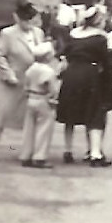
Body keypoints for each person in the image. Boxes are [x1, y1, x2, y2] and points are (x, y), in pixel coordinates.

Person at [56, 5, 112, 167]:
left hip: (71, 75)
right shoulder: (100, 38)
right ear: (99, 21)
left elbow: (63, 53)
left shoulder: (73, 34)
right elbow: (107, 61)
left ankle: (68, 151)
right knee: (94, 114)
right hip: (90, 75)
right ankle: (95, 154)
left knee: (70, 114)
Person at [0, 2, 43, 164]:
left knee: (31, 116)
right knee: (3, 114)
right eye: (25, 20)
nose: (29, 24)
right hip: (13, 80)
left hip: (33, 81)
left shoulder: (38, 33)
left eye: (31, 20)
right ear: (17, 19)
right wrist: (8, 74)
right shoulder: (7, 34)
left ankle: (28, 151)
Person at [19, 41, 63, 169]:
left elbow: (25, 86)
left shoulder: (30, 69)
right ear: (47, 56)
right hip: (43, 99)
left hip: (31, 98)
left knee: (29, 128)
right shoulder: (48, 71)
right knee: (44, 128)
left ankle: (26, 155)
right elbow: (53, 90)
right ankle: (39, 157)